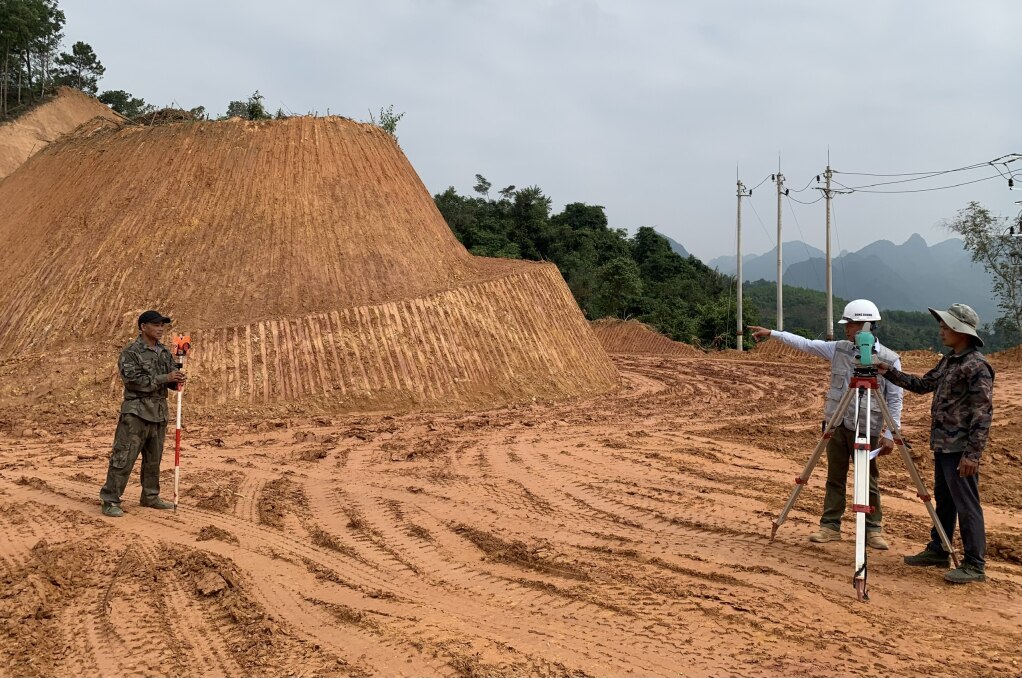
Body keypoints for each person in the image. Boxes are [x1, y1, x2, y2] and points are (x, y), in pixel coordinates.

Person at [748, 299, 903, 549]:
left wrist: (890, 432)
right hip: (837, 423)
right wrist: (773, 334)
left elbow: (895, 399)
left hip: (867, 426)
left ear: (865, 325)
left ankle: (873, 529)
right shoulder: (839, 349)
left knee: (868, 479)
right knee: (835, 477)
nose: (846, 329)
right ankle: (830, 526)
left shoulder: (889, 359)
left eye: (850, 324)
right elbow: (807, 345)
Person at [877, 304, 993, 584]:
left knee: (966, 504)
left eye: (945, 327)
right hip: (942, 445)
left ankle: (975, 564)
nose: (940, 331)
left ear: (960, 331)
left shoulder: (976, 366)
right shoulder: (949, 361)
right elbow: (923, 385)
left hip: (960, 449)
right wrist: (888, 371)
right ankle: (938, 548)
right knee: (945, 501)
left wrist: (972, 454)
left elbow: (983, 412)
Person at [99, 310, 187, 517]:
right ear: (143, 327)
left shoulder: (164, 352)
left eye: (162, 325)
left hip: (158, 413)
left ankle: (150, 496)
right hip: (136, 413)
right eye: (155, 325)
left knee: (153, 459)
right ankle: (110, 499)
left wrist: (178, 379)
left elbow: (171, 381)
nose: (160, 329)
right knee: (124, 457)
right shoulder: (131, 352)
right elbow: (134, 381)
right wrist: (166, 377)